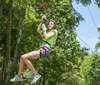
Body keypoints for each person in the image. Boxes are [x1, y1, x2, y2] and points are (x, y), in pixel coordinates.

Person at [10, 16, 58, 84]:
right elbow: (38, 30)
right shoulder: (46, 32)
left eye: (51, 24)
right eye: (49, 23)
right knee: (22, 57)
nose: (49, 24)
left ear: (54, 26)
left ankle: (35, 74)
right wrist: (42, 21)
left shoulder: (54, 31)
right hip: (41, 49)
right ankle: (19, 76)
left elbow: (46, 37)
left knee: (24, 57)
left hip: (45, 49)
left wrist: (44, 30)